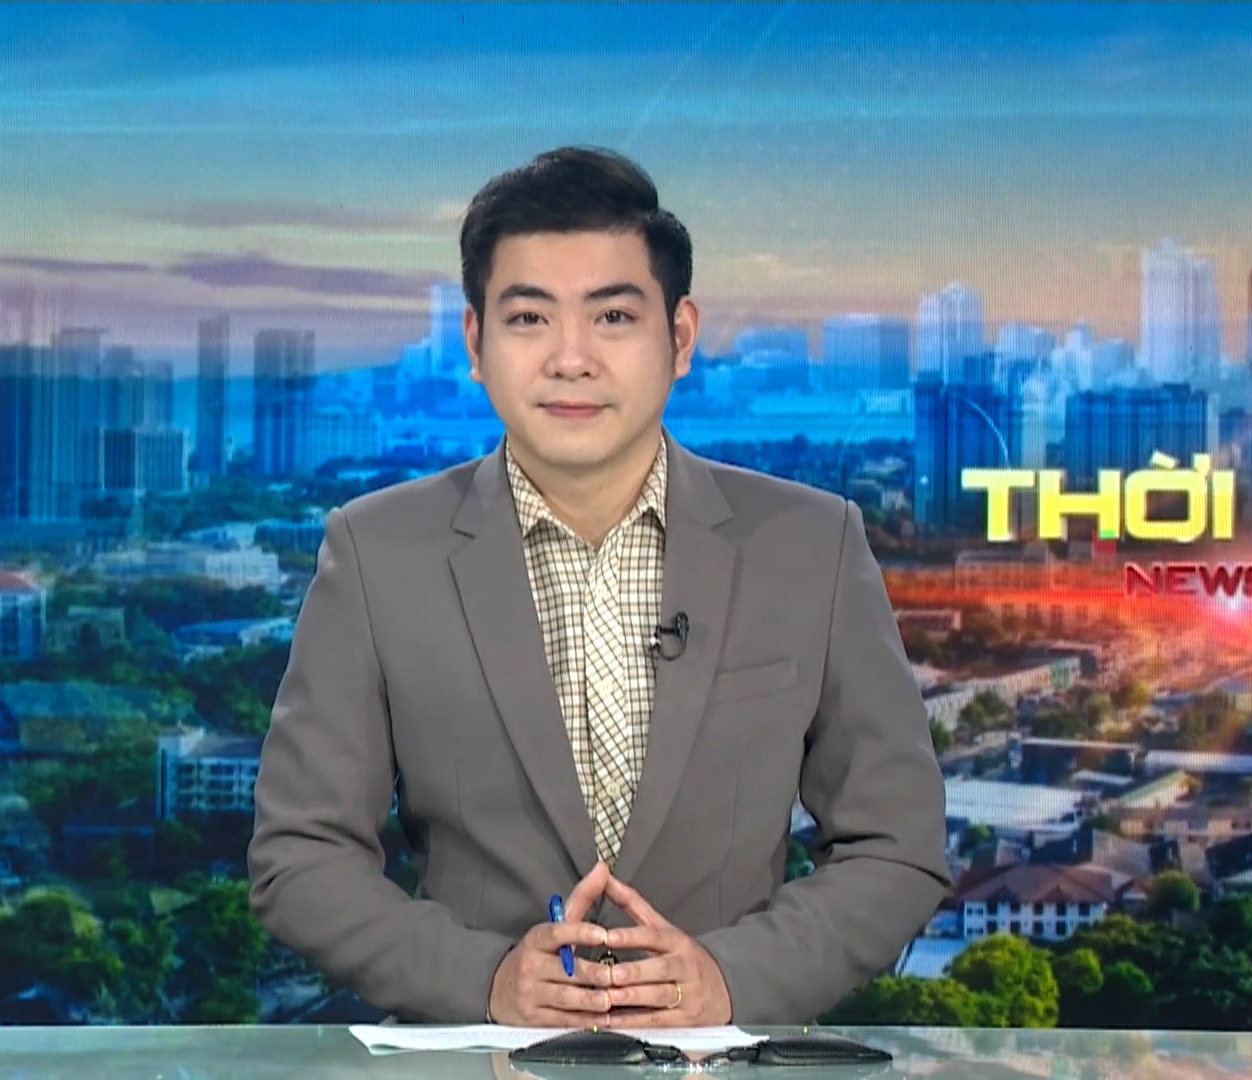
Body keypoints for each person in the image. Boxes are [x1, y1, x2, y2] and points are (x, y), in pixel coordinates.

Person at [248, 146, 949, 1027]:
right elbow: (301, 856)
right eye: (529, 318)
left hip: (723, 1064)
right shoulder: (376, 552)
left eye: (613, 316)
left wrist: (729, 980)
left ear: (680, 338)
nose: (570, 359)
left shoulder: (811, 545)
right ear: (476, 344)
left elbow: (897, 846)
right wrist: (486, 981)